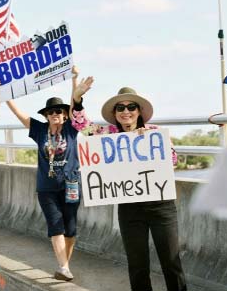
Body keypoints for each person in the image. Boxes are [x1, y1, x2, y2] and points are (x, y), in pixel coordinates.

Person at [70, 66, 187, 291]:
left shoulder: (154, 132)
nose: (126, 111)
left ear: (139, 111)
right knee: (137, 265)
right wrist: (77, 98)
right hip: (129, 208)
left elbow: (173, 161)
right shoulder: (107, 135)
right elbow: (80, 126)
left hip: (161, 207)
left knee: (171, 262)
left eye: (131, 107)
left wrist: (149, 144)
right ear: (114, 114)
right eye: (120, 108)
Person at [5, 77, 92, 281]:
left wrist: (74, 80)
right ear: (46, 115)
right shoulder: (39, 130)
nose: (55, 114)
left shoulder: (71, 128)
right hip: (47, 188)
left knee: (70, 230)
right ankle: (63, 267)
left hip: (71, 184)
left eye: (59, 112)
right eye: (51, 112)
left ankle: (64, 266)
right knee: (56, 225)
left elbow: (74, 105)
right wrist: (4, 94)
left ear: (64, 115)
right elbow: (19, 114)